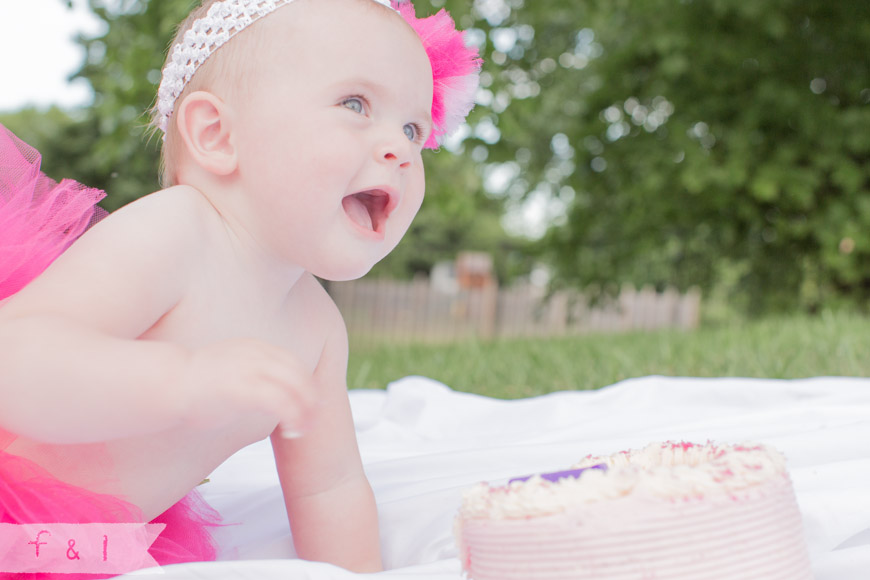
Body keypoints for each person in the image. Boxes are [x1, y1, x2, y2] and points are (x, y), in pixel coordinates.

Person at [0, 0, 480, 576]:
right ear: (217, 134)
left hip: (86, 546)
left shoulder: (316, 327)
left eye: (413, 129)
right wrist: (182, 380)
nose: (400, 149)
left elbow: (329, 489)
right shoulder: (175, 233)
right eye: (355, 104)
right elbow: (16, 361)